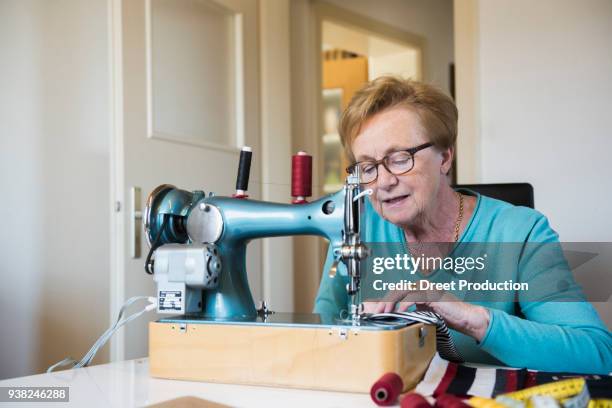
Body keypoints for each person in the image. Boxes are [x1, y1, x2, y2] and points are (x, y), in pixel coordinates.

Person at [314, 76, 612, 374]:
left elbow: (597, 352)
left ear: (445, 157)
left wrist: (473, 319)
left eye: (400, 158)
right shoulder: (355, 226)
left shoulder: (520, 233)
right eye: (368, 167)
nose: (384, 182)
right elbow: (317, 340)